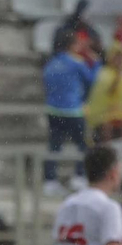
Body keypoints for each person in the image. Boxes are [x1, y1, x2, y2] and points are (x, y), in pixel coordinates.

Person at [42, 27, 96, 190]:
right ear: (71, 45)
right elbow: (92, 79)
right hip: (72, 110)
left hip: (53, 110)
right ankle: (79, 176)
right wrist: (95, 62)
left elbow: (46, 83)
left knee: (54, 146)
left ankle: (50, 181)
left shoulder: (51, 63)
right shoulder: (76, 63)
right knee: (82, 146)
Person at [84, 42, 122, 142]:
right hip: (104, 115)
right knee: (107, 128)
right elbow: (102, 95)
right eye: (116, 57)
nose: (119, 61)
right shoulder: (103, 75)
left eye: (121, 58)